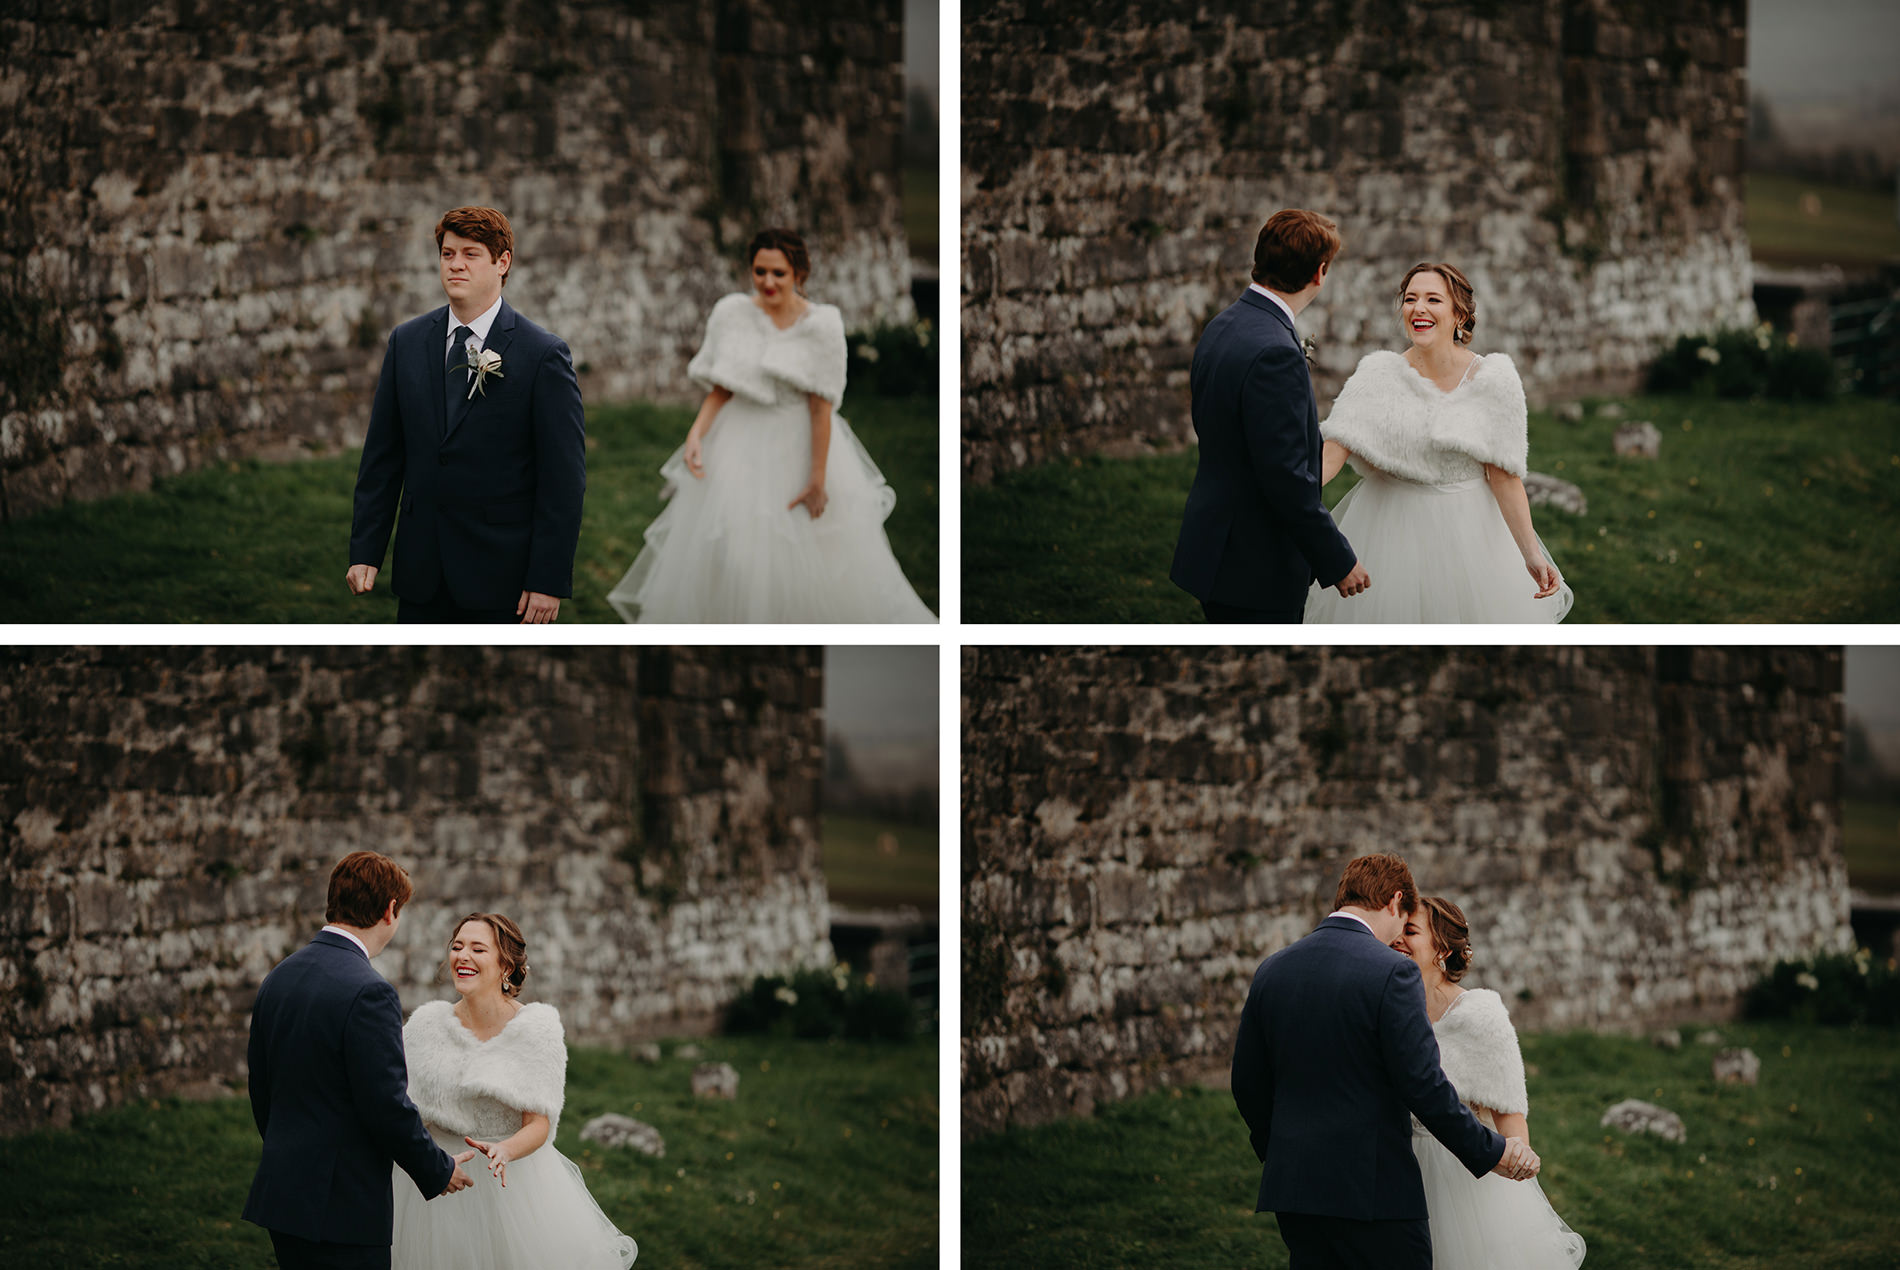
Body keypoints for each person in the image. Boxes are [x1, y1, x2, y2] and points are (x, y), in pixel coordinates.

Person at [606, 227, 935, 623]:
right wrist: (696, 434)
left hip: (799, 443)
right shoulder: (731, 314)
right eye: (760, 271)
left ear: (799, 272)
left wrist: (817, 479)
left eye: (778, 273)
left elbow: (820, 408)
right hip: (737, 443)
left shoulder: (823, 326)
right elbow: (722, 387)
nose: (768, 282)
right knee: (731, 550)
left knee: (808, 552)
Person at [1231, 853, 1542, 1269]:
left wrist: (1280, 1148)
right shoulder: (1392, 972)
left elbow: (1247, 1082)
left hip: (1295, 1192)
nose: (1398, 936)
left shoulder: (1272, 969)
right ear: (1395, 901)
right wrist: (1491, 1153)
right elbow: (1423, 1084)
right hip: (1375, 1193)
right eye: (1405, 920)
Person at [348, 206, 587, 624]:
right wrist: (366, 550)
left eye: (471, 254)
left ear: (503, 262)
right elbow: (383, 458)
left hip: (503, 580)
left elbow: (563, 479)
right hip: (421, 574)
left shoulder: (542, 354)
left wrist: (547, 577)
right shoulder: (406, 341)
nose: (455, 264)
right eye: (447, 253)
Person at [243, 851, 480, 1269]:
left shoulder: (280, 976)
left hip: (284, 1194)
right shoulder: (371, 991)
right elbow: (386, 1105)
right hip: (343, 1205)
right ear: (390, 911)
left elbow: (261, 1088)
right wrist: (437, 1169)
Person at [1304, 262, 1573, 622]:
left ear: (1459, 314)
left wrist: (1530, 553)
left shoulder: (1494, 381)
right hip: (1388, 534)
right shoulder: (1376, 377)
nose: (1418, 308)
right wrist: (1283, 490)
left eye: (1433, 299)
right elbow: (1332, 454)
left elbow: (1505, 476)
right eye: (1411, 299)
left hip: (1472, 537)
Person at [390, 912, 637, 1269]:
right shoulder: (424, 1028)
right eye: (457, 947)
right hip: (434, 1186)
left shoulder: (537, 1030)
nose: (463, 956)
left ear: (506, 965)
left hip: (512, 1187)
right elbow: (407, 1111)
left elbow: (539, 1122)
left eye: (478, 949)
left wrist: (505, 1150)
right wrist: (427, 1159)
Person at [1170, 208, 1370, 623]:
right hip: (1253, 563)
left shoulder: (1223, 324)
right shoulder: (1277, 352)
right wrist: (1337, 559)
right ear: (1320, 272)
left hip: (1214, 542)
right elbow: (1285, 476)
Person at [1392, 897, 1587, 1268]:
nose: (1397, 938)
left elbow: (1512, 1121)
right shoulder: (1388, 1009)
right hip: (1396, 1175)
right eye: (1397, 930)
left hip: (1464, 1184)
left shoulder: (1482, 1017)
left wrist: (1517, 1157)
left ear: (1443, 950)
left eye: (1411, 931)